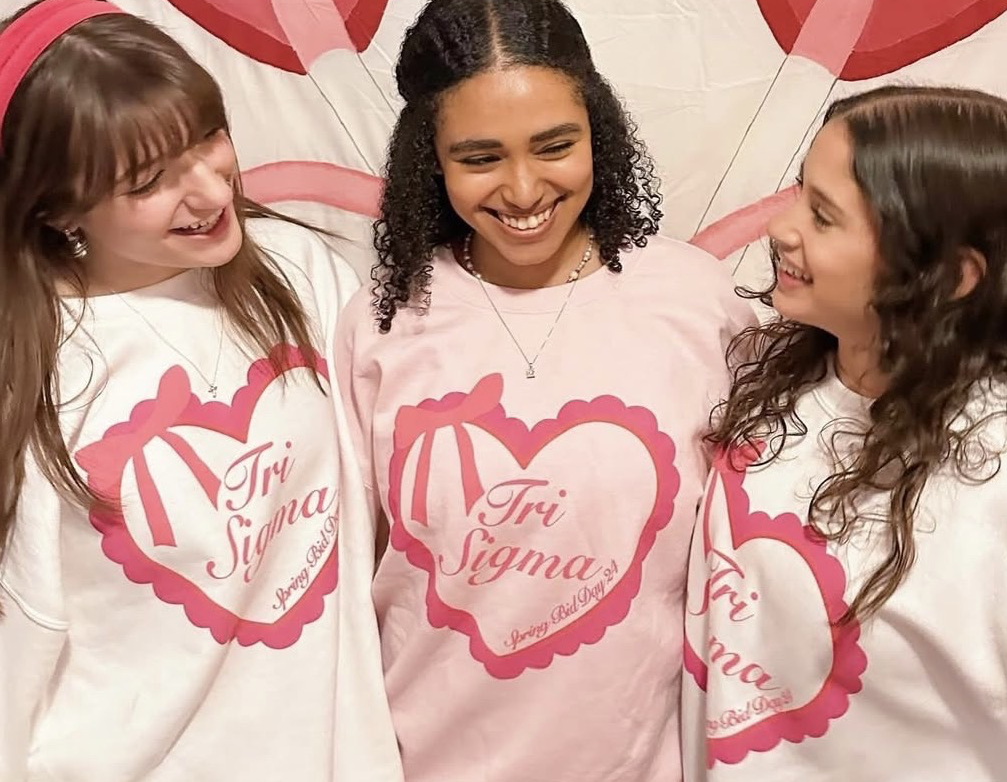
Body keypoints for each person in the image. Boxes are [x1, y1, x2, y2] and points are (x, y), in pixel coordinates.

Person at [335, 1, 754, 779]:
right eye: (479, 157)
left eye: (555, 146)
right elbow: (344, 584)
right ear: (429, 158)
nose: (523, 189)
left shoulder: (696, 299)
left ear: (598, 129)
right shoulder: (382, 320)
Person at [0, 2, 400, 780]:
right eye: (149, 180)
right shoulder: (42, 374)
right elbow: (21, 646)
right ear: (57, 208)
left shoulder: (298, 272)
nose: (210, 189)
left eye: (207, 137)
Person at [682, 85, 1007, 781]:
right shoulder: (764, 368)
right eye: (800, 191)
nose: (780, 227)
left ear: (950, 276)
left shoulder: (991, 478)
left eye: (823, 216)